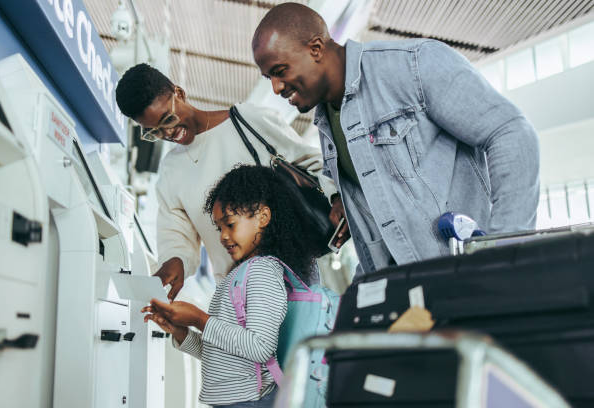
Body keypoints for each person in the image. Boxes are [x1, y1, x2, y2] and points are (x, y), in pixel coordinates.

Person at [251, 3, 540, 276]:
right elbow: (380, 231)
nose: (276, 88)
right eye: (269, 79)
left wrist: (504, 248)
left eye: (280, 71)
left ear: (315, 48)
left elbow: (511, 132)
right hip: (411, 298)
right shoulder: (327, 125)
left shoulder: (412, 65)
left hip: (471, 277)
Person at [115, 63, 342, 299]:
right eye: (155, 132)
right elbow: (175, 231)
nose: (168, 134)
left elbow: (310, 161)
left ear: (179, 93)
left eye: (168, 119)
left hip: (292, 276)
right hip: (235, 290)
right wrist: (175, 261)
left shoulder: (247, 121)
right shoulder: (171, 170)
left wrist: (335, 196)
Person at [141, 165, 321, 407]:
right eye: (219, 228)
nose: (223, 236)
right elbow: (225, 358)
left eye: (230, 224)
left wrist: (199, 319)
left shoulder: (263, 271)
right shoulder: (240, 274)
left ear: (263, 217)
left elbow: (260, 348)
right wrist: (180, 331)